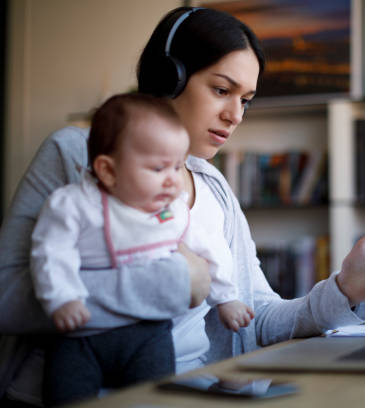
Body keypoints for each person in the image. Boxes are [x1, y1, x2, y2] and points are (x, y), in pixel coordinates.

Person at [0, 6, 365, 406]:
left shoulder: (214, 187)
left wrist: (345, 289)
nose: (235, 115)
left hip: (191, 392)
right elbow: (7, 297)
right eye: (222, 90)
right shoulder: (79, 154)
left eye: (245, 99)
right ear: (168, 77)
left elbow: (255, 316)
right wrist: (179, 280)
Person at [29, 93, 253, 406]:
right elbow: (50, 252)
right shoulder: (74, 205)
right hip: (80, 337)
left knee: (153, 396)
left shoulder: (171, 210)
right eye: (159, 169)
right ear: (108, 171)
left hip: (149, 333)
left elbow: (211, 248)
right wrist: (62, 297)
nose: (173, 181)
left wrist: (226, 297)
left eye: (178, 167)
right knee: (66, 393)